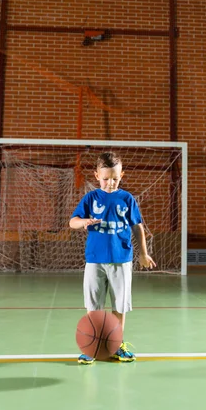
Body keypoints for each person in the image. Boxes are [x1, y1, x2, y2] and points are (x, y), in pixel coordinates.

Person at [69, 151, 156, 364]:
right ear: (97, 175)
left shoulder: (127, 199)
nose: (110, 183)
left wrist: (143, 254)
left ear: (122, 175)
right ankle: (92, 346)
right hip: (95, 260)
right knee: (94, 306)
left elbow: (138, 227)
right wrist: (84, 222)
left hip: (121, 260)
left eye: (115, 178)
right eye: (106, 178)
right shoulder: (90, 198)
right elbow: (73, 221)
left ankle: (117, 346)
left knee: (120, 306)